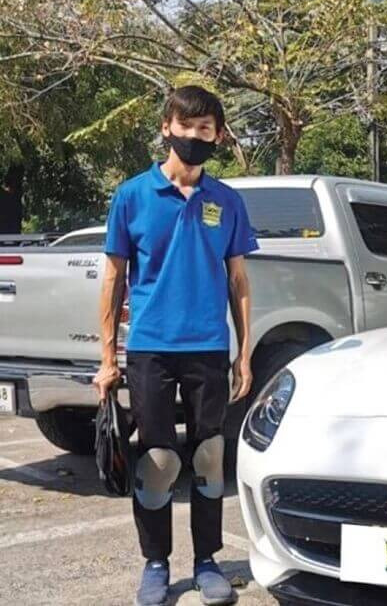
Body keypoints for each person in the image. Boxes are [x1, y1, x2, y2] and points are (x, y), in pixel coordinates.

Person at [93, 85, 258, 606]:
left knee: (209, 457)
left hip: (208, 348)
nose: (193, 136)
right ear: (166, 127)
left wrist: (244, 353)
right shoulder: (132, 196)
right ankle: (156, 563)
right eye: (185, 126)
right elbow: (113, 280)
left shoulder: (227, 201)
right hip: (151, 350)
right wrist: (107, 358)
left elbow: (239, 281)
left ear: (218, 135)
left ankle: (207, 561)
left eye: (205, 128)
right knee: (158, 461)